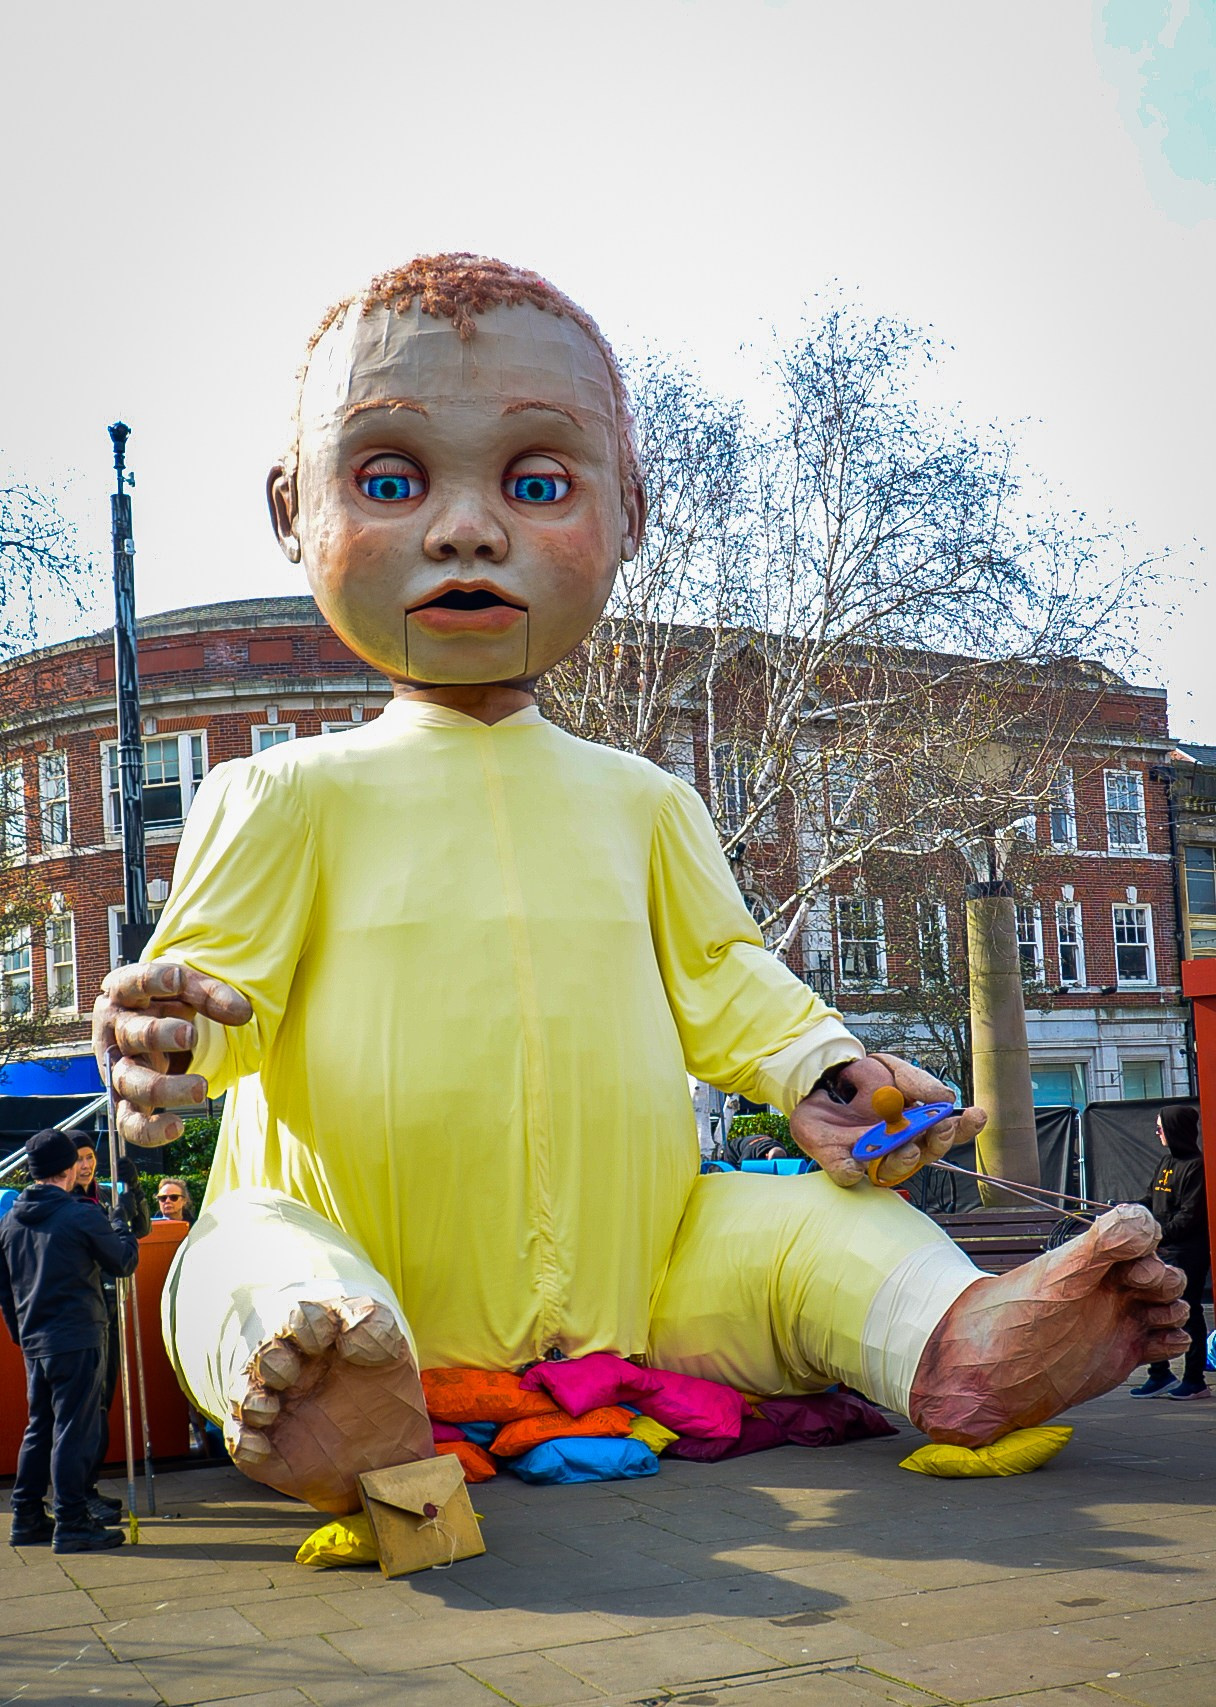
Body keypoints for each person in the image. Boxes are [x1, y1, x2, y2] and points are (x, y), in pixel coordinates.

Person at [92, 255, 1188, 1516]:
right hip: (361, 1249)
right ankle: (337, 1383)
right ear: (294, 511)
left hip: (652, 1270)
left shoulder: (646, 800)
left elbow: (723, 977)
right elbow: (219, 1006)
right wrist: (163, 1040)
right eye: (388, 480)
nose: (463, 529)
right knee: (248, 1258)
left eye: (538, 483)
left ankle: (960, 1340)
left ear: (628, 513)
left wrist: (824, 1077)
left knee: (825, 1232)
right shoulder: (279, 793)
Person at [0, 1129, 139, 1551]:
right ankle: (73, 1521)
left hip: (36, 1338)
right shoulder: (80, 1213)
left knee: (40, 1427)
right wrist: (122, 1226)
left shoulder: (10, 1220)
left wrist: (20, 1334)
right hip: (77, 1334)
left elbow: (5, 1289)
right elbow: (122, 1262)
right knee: (73, 1431)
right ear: (65, 1169)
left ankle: (26, 1518)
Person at [70, 1132, 150, 1524]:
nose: (86, 1165)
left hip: (109, 1310)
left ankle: (89, 1488)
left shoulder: (100, 1198)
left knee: (104, 1402)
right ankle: (79, 1495)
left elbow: (141, 1230)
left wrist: (133, 1189)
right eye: (78, 1159)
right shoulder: (68, 1205)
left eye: (89, 1157)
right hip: (83, 1313)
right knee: (88, 1408)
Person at [1132, 1105, 1210, 1399]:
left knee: (1188, 1312)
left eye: (1161, 1127)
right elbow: (1152, 1199)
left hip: (1186, 1252)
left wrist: (1158, 1235)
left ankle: (1194, 1379)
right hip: (1163, 1250)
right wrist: (1129, 1210)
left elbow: (1190, 1215)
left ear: (1175, 1129)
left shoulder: (1196, 1166)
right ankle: (1159, 1373)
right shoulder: (1165, 1162)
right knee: (1152, 1311)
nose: (1157, 1133)